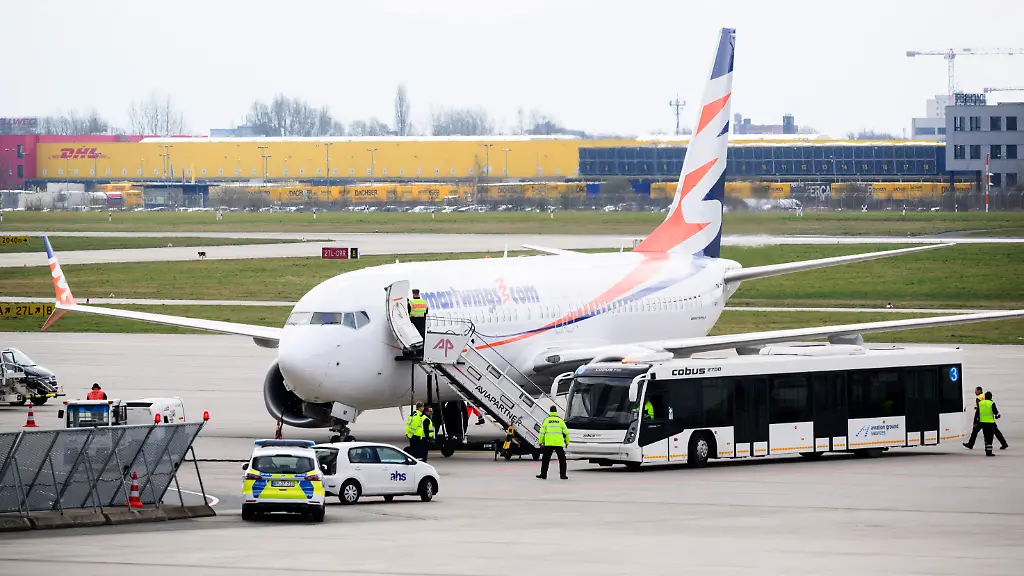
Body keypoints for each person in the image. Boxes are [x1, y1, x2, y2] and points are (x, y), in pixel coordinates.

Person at [536, 406, 569, 480]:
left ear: (550, 411)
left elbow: (542, 432)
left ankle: (543, 474)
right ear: (556, 411)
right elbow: (566, 432)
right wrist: (567, 442)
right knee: (562, 460)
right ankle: (563, 475)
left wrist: (540, 442)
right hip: (558, 443)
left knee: (545, 460)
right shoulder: (560, 421)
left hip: (549, 443)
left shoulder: (546, 420)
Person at [978, 391, 1008, 456]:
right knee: (990, 437)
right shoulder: (991, 403)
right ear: (991, 397)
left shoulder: (980, 403)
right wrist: (998, 416)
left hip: (983, 422)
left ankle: (988, 450)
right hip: (990, 423)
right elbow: (996, 412)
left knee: (986, 437)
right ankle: (989, 452)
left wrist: (975, 422)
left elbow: (977, 413)